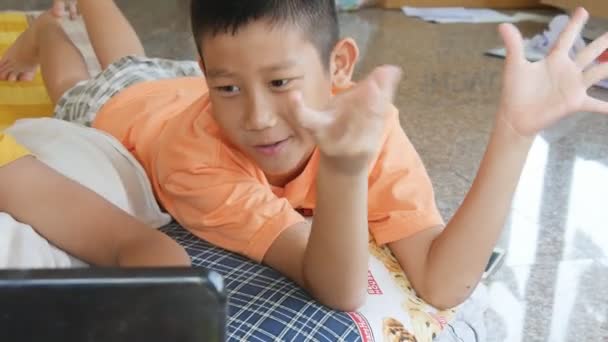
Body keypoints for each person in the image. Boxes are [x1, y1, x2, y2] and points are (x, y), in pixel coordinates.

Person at [2, 0, 607, 311]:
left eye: (283, 84)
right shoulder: (198, 158)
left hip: (188, 79)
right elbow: (338, 288)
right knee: (97, 79)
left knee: (135, 61)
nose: (261, 120)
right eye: (232, 89)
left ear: (340, 67)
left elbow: (444, 284)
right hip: (125, 111)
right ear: (216, 79)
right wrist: (343, 172)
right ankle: (46, 32)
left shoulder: (371, 122)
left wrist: (514, 133)